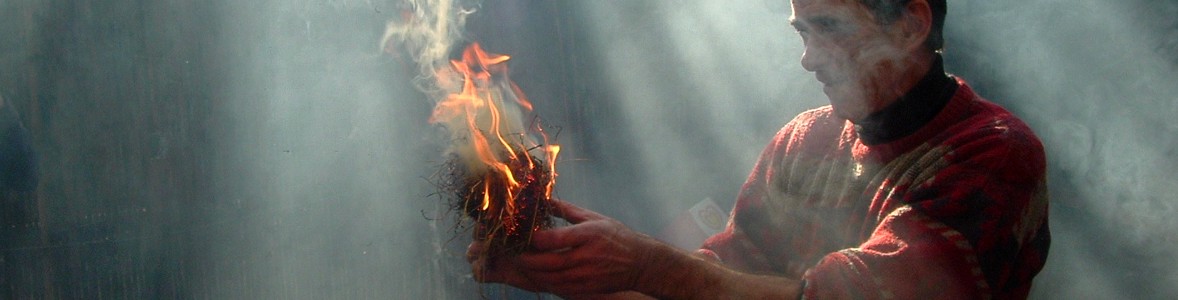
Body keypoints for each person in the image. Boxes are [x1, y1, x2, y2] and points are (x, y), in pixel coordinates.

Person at [467, 0, 1050, 298]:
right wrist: (572, 272)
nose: (808, 58)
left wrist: (643, 261)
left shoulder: (992, 152)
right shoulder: (806, 139)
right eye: (802, 31)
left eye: (831, 28)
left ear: (911, 24)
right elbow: (711, 286)